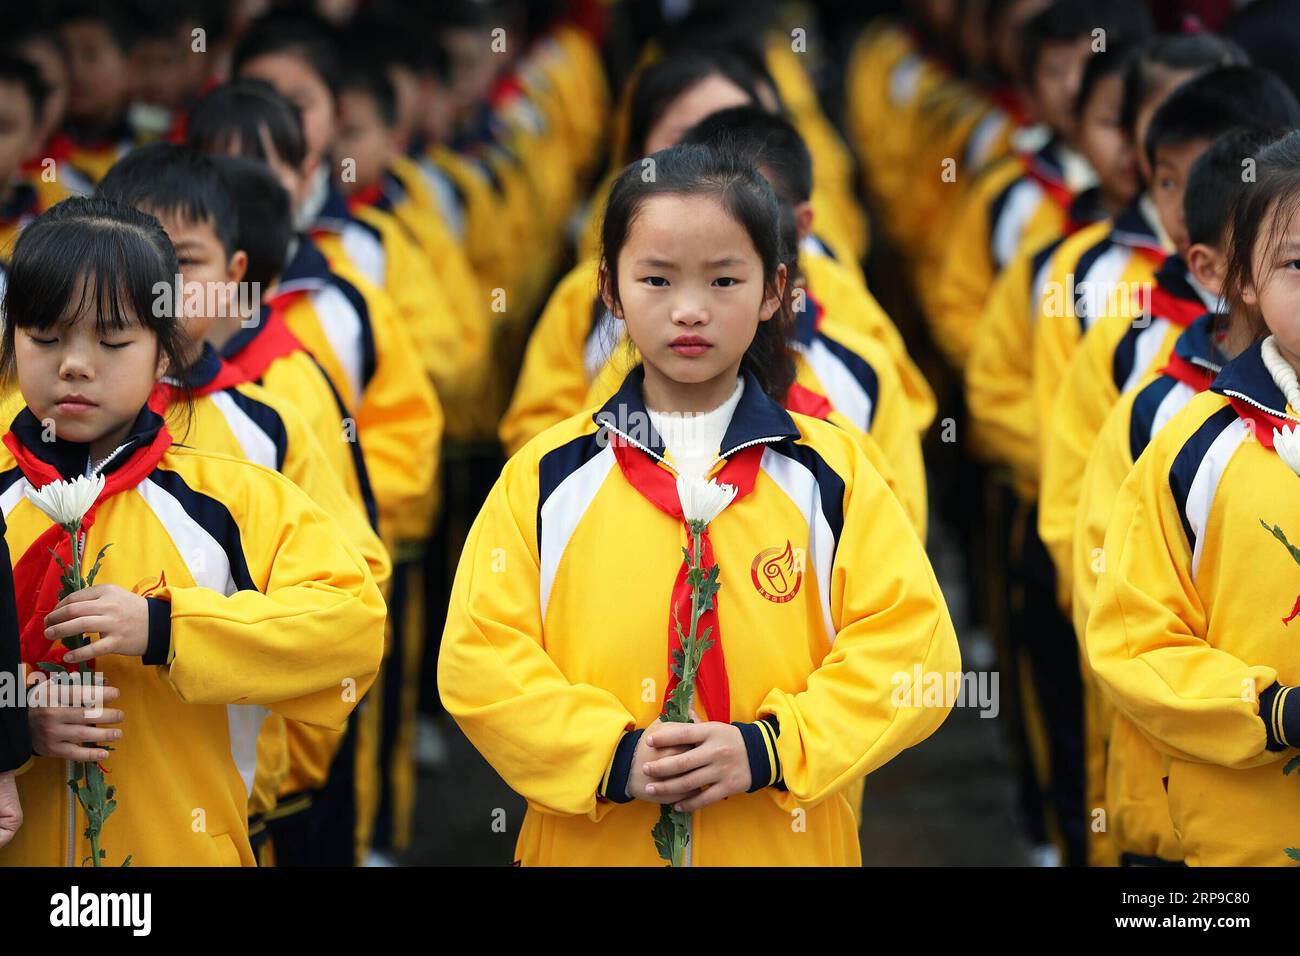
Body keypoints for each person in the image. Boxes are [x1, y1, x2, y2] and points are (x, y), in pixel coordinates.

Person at [439, 144, 960, 866]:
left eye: (724, 280)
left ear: (775, 290)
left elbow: (915, 648)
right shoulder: (546, 476)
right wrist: (612, 758)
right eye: (656, 279)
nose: (689, 310)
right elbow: (478, 657)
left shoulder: (830, 472)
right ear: (611, 292)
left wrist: (771, 748)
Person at [0, 196, 385, 865]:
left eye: (113, 341)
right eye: (44, 337)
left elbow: (352, 626)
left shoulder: (230, 498)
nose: (75, 365)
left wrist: (167, 629)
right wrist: (13, 726)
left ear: (163, 354)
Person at [1086, 130, 1300, 866]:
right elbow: (1133, 638)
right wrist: (1271, 710)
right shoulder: (1192, 449)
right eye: (1298, 264)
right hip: (1241, 840)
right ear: (1244, 281)